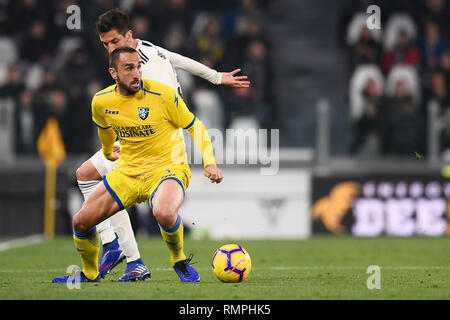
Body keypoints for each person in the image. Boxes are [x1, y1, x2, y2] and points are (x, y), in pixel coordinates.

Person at [75, 9, 249, 281]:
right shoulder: (142, 52)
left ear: (129, 36)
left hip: (160, 142)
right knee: (85, 174)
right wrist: (215, 76)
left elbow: (166, 109)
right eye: (105, 44)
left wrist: (208, 159)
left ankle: (131, 254)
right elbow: (177, 58)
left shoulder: (148, 71)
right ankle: (115, 247)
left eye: (113, 42)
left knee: (160, 209)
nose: (109, 48)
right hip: (131, 141)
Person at [53, 46, 223, 283]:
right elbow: (104, 131)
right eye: (129, 68)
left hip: (167, 168)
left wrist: (210, 163)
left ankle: (179, 260)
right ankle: (90, 274)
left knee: (163, 212)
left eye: (138, 67)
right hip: (128, 173)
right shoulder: (101, 102)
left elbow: (195, 126)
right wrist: (106, 152)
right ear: (114, 73)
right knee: (81, 221)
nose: (137, 73)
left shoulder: (162, 95)